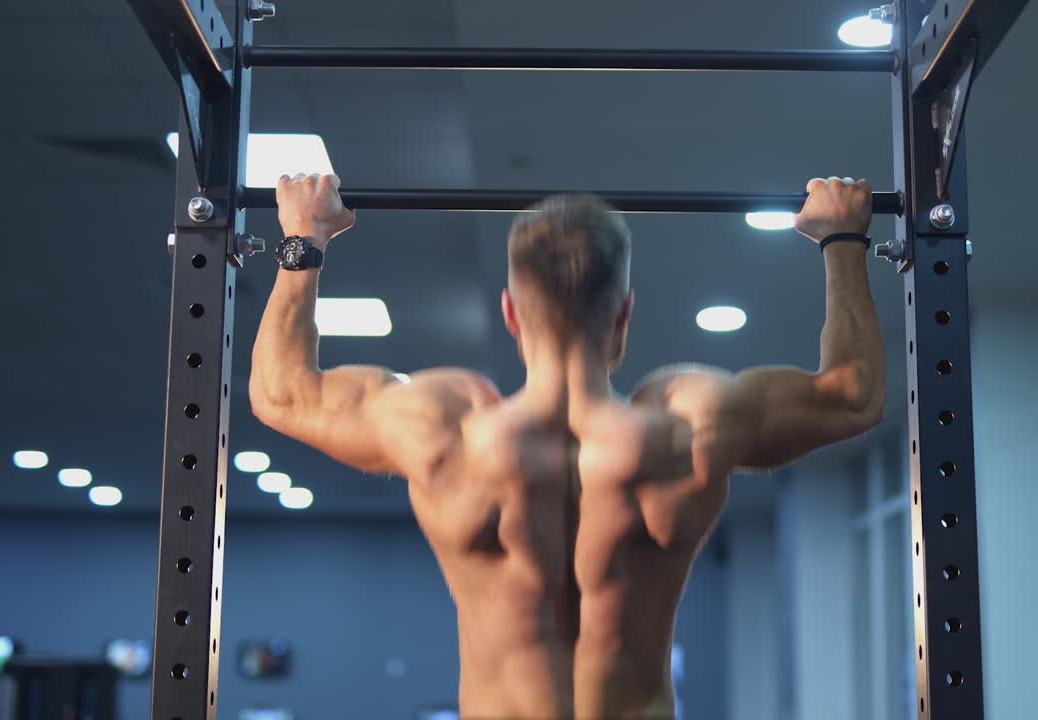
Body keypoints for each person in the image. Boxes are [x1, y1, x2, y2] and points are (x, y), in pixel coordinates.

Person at [249, 174, 886, 719]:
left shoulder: (447, 431)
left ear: (510, 313)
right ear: (624, 314)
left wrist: (305, 235)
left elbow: (280, 394)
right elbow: (853, 395)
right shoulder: (687, 425)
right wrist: (842, 238)